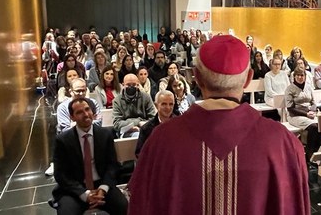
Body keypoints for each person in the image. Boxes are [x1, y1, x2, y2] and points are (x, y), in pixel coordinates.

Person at [128, 35, 310, 215]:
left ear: (197, 77)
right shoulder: (284, 143)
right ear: (248, 78)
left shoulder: (161, 141)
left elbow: (141, 204)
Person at [52, 98, 128, 214]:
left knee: (124, 207)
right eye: (79, 112)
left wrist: (103, 188)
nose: (86, 114)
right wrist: (85, 194)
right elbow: (61, 174)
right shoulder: (63, 140)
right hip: (75, 188)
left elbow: (112, 165)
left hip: (101, 184)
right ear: (72, 117)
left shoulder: (105, 134)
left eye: (87, 109)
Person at [285, 68, 321, 161]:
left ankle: (318, 151)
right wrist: (306, 114)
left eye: (302, 75)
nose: (300, 77)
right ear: (294, 76)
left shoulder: (309, 87)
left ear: (305, 76)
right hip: (295, 115)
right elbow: (290, 108)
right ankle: (309, 152)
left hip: (309, 113)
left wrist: (313, 110)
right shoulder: (290, 89)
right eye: (298, 75)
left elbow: (313, 103)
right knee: (314, 126)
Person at [135, 90, 176, 159]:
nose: (168, 107)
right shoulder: (146, 129)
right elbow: (140, 154)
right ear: (156, 105)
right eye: (164, 104)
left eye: (171, 104)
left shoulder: (181, 125)